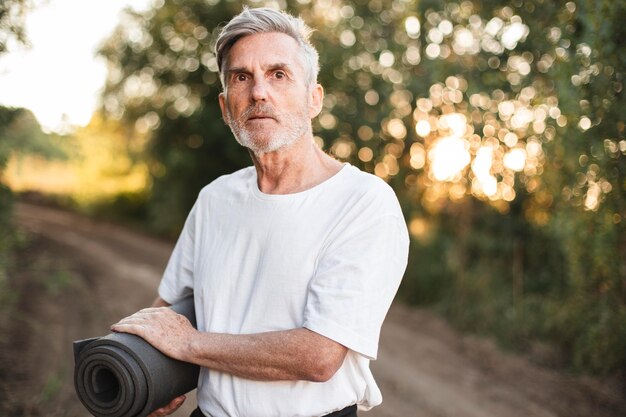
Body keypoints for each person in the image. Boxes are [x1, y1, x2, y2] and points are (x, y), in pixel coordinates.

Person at [111, 7, 409, 417]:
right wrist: (152, 372)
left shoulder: (364, 203)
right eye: (241, 77)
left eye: (279, 74)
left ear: (314, 99)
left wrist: (188, 345)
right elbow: (169, 310)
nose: (258, 93)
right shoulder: (215, 198)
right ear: (225, 106)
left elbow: (318, 356)